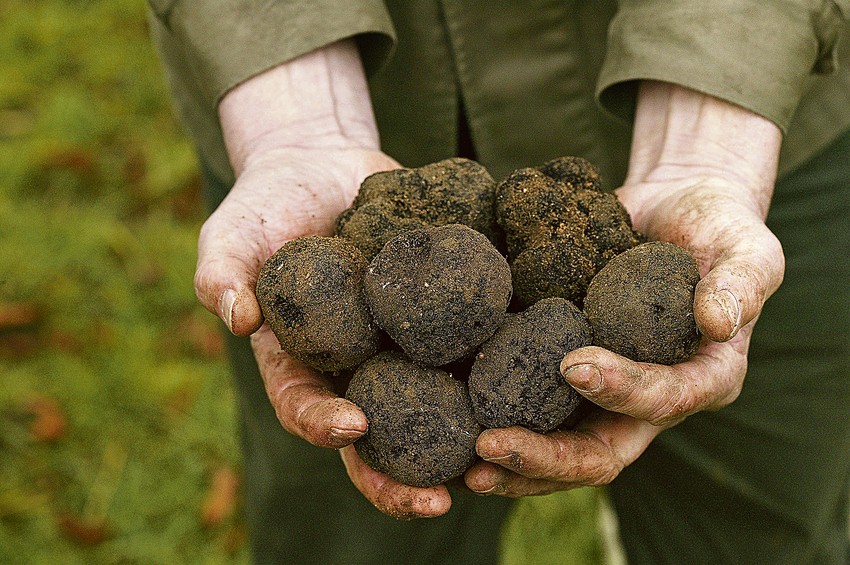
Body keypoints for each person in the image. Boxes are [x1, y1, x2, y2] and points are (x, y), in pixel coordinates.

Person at [148, 1, 850, 563]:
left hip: (756, 120)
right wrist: (293, 115)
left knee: (758, 524)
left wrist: (712, 126)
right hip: (311, 125)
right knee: (345, 539)